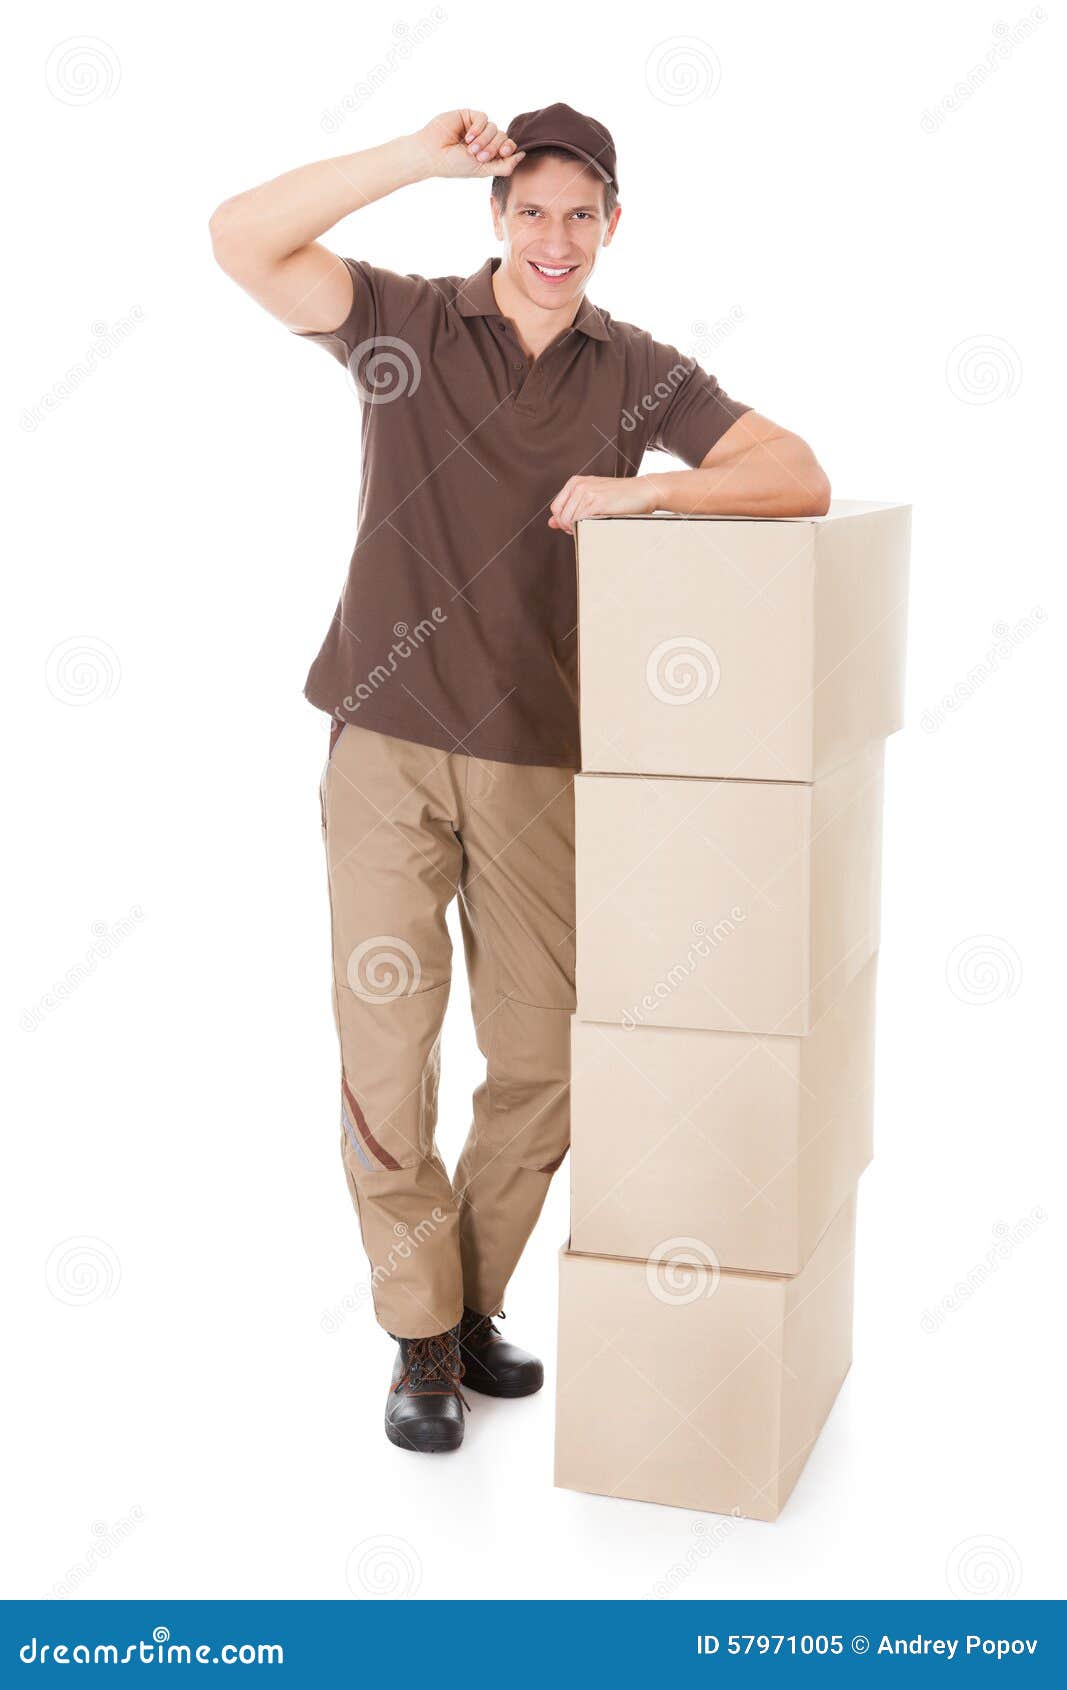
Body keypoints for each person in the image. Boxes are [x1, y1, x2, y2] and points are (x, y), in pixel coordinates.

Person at [209, 102, 830, 1454]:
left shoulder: (635, 373)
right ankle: (421, 1332)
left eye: (581, 214)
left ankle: (468, 1299)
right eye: (531, 210)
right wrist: (414, 159)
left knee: (543, 1060)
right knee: (387, 1050)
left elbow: (796, 474)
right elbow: (242, 239)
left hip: (543, 756)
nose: (555, 239)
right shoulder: (407, 325)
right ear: (496, 216)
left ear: (615, 225)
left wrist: (648, 494)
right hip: (383, 736)